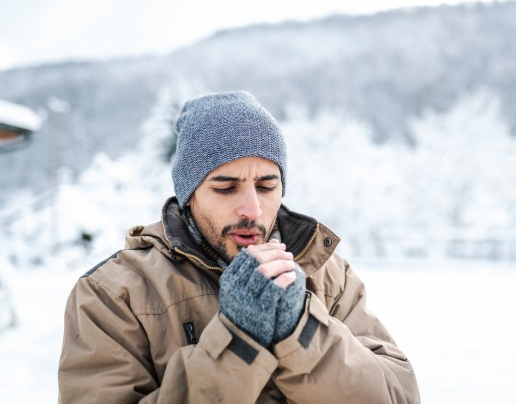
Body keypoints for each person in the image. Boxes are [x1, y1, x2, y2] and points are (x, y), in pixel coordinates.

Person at [58, 91, 421, 403]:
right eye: (225, 187)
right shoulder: (111, 294)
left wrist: (301, 330)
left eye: (266, 186)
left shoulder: (326, 273)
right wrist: (238, 338)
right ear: (189, 195)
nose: (252, 209)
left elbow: (398, 395)